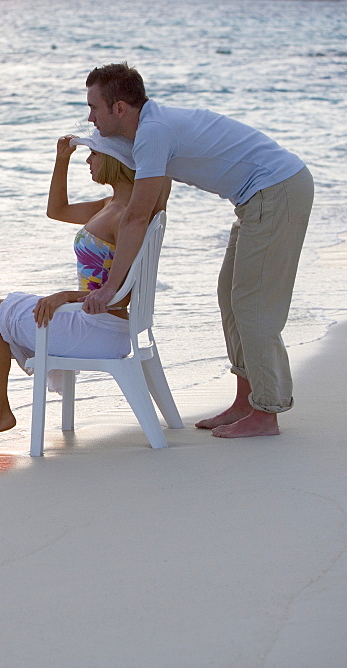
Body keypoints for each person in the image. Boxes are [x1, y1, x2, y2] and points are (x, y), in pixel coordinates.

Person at [79, 63, 314, 439]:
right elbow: (140, 198)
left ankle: (267, 413)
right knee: (231, 298)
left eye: (93, 107)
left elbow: (137, 217)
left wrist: (111, 289)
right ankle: (246, 401)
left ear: (119, 109)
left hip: (277, 190)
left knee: (253, 306)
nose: (89, 117)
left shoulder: (153, 133)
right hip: (258, 197)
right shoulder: (150, 129)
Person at [0, 131, 169, 447]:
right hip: (101, 323)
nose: (88, 161)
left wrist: (67, 295)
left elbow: (122, 289)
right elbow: (57, 211)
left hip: (101, 327)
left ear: (113, 160)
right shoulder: (111, 206)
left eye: (93, 154)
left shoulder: (125, 216)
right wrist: (61, 160)